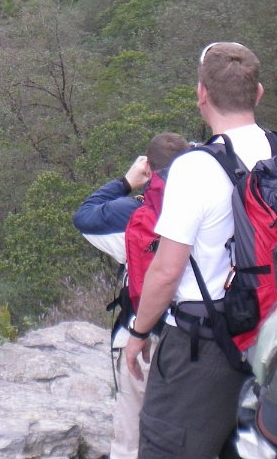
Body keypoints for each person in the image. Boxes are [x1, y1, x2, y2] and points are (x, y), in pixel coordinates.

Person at [124, 42, 277, 459]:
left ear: (202, 94)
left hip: (202, 343)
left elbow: (166, 271)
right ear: (258, 93)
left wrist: (138, 333)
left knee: (168, 448)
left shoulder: (194, 167)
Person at [73, 132, 191, 459]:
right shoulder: (213, 203)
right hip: (200, 338)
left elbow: (84, 216)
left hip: (145, 336)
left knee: (131, 437)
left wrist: (126, 181)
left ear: (149, 168)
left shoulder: (132, 214)